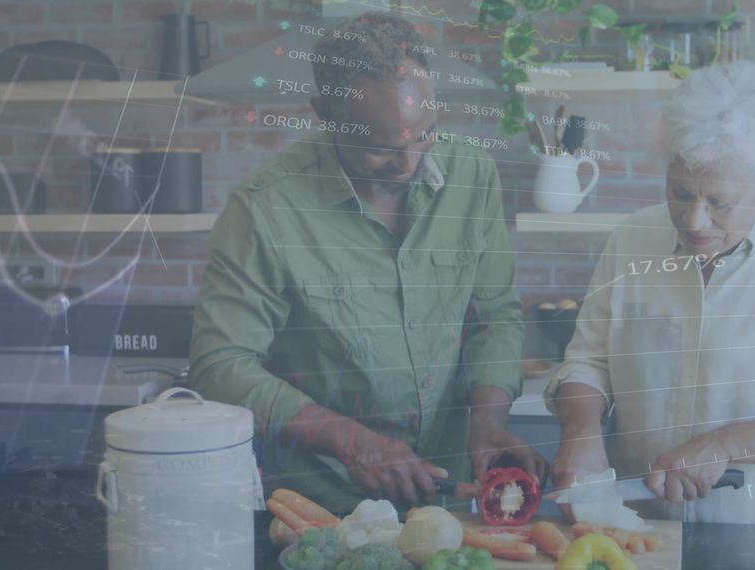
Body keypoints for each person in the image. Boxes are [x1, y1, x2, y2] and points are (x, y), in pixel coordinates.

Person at [190, 12, 545, 515]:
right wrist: (354, 443)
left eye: (424, 135)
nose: (409, 164)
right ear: (324, 114)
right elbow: (219, 367)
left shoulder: (473, 173)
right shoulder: (265, 208)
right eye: (380, 149)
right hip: (322, 506)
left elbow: (496, 316)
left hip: (451, 494)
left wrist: (487, 421)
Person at [546, 61, 755, 544]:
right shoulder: (631, 240)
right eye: (680, 192)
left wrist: (726, 445)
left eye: (720, 202)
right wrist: (580, 431)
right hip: (637, 529)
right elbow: (590, 361)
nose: (694, 220)